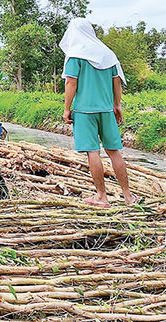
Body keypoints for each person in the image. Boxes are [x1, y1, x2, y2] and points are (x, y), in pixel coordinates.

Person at [60, 18, 136, 207]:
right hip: (106, 110)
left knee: (93, 152)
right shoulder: (107, 53)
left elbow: (71, 82)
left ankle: (101, 196)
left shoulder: (75, 55)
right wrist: (117, 105)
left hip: (84, 111)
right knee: (114, 152)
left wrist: (67, 109)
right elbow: (116, 81)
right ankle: (128, 197)